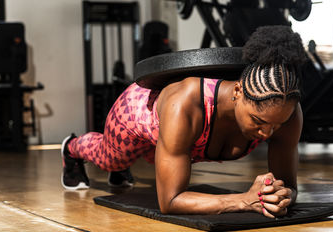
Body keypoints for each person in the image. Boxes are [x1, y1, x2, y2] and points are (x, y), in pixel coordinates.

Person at [61, 25, 307, 218]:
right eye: (257, 121)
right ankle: (71, 149)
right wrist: (243, 200)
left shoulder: (288, 114)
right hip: (138, 113)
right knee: (111, 159)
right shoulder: (186, 104)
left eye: (275, 125)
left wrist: (280, 195)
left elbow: (289, 185)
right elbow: (170, 201)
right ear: (238, 92)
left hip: (177, 140)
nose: (266, 133)